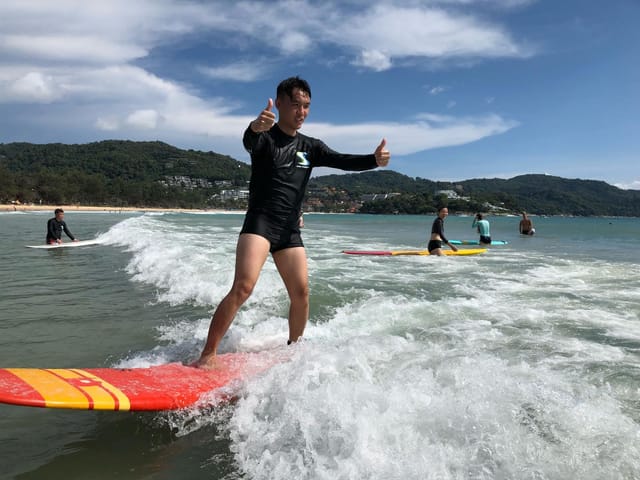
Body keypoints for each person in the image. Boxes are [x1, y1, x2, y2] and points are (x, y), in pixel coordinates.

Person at [194, 76, 390, 367]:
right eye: (296, 105)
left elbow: (342, 160)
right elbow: (251, 141)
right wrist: (253, 127)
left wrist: (373, 159)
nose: (301, 112)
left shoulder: (311, 147)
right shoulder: (265, 138)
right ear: (281, 103)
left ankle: (293, 351)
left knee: (301, 294)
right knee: (244, 287)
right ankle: (208, 354)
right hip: (260, 224)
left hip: (289, 230)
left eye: (307, 106)